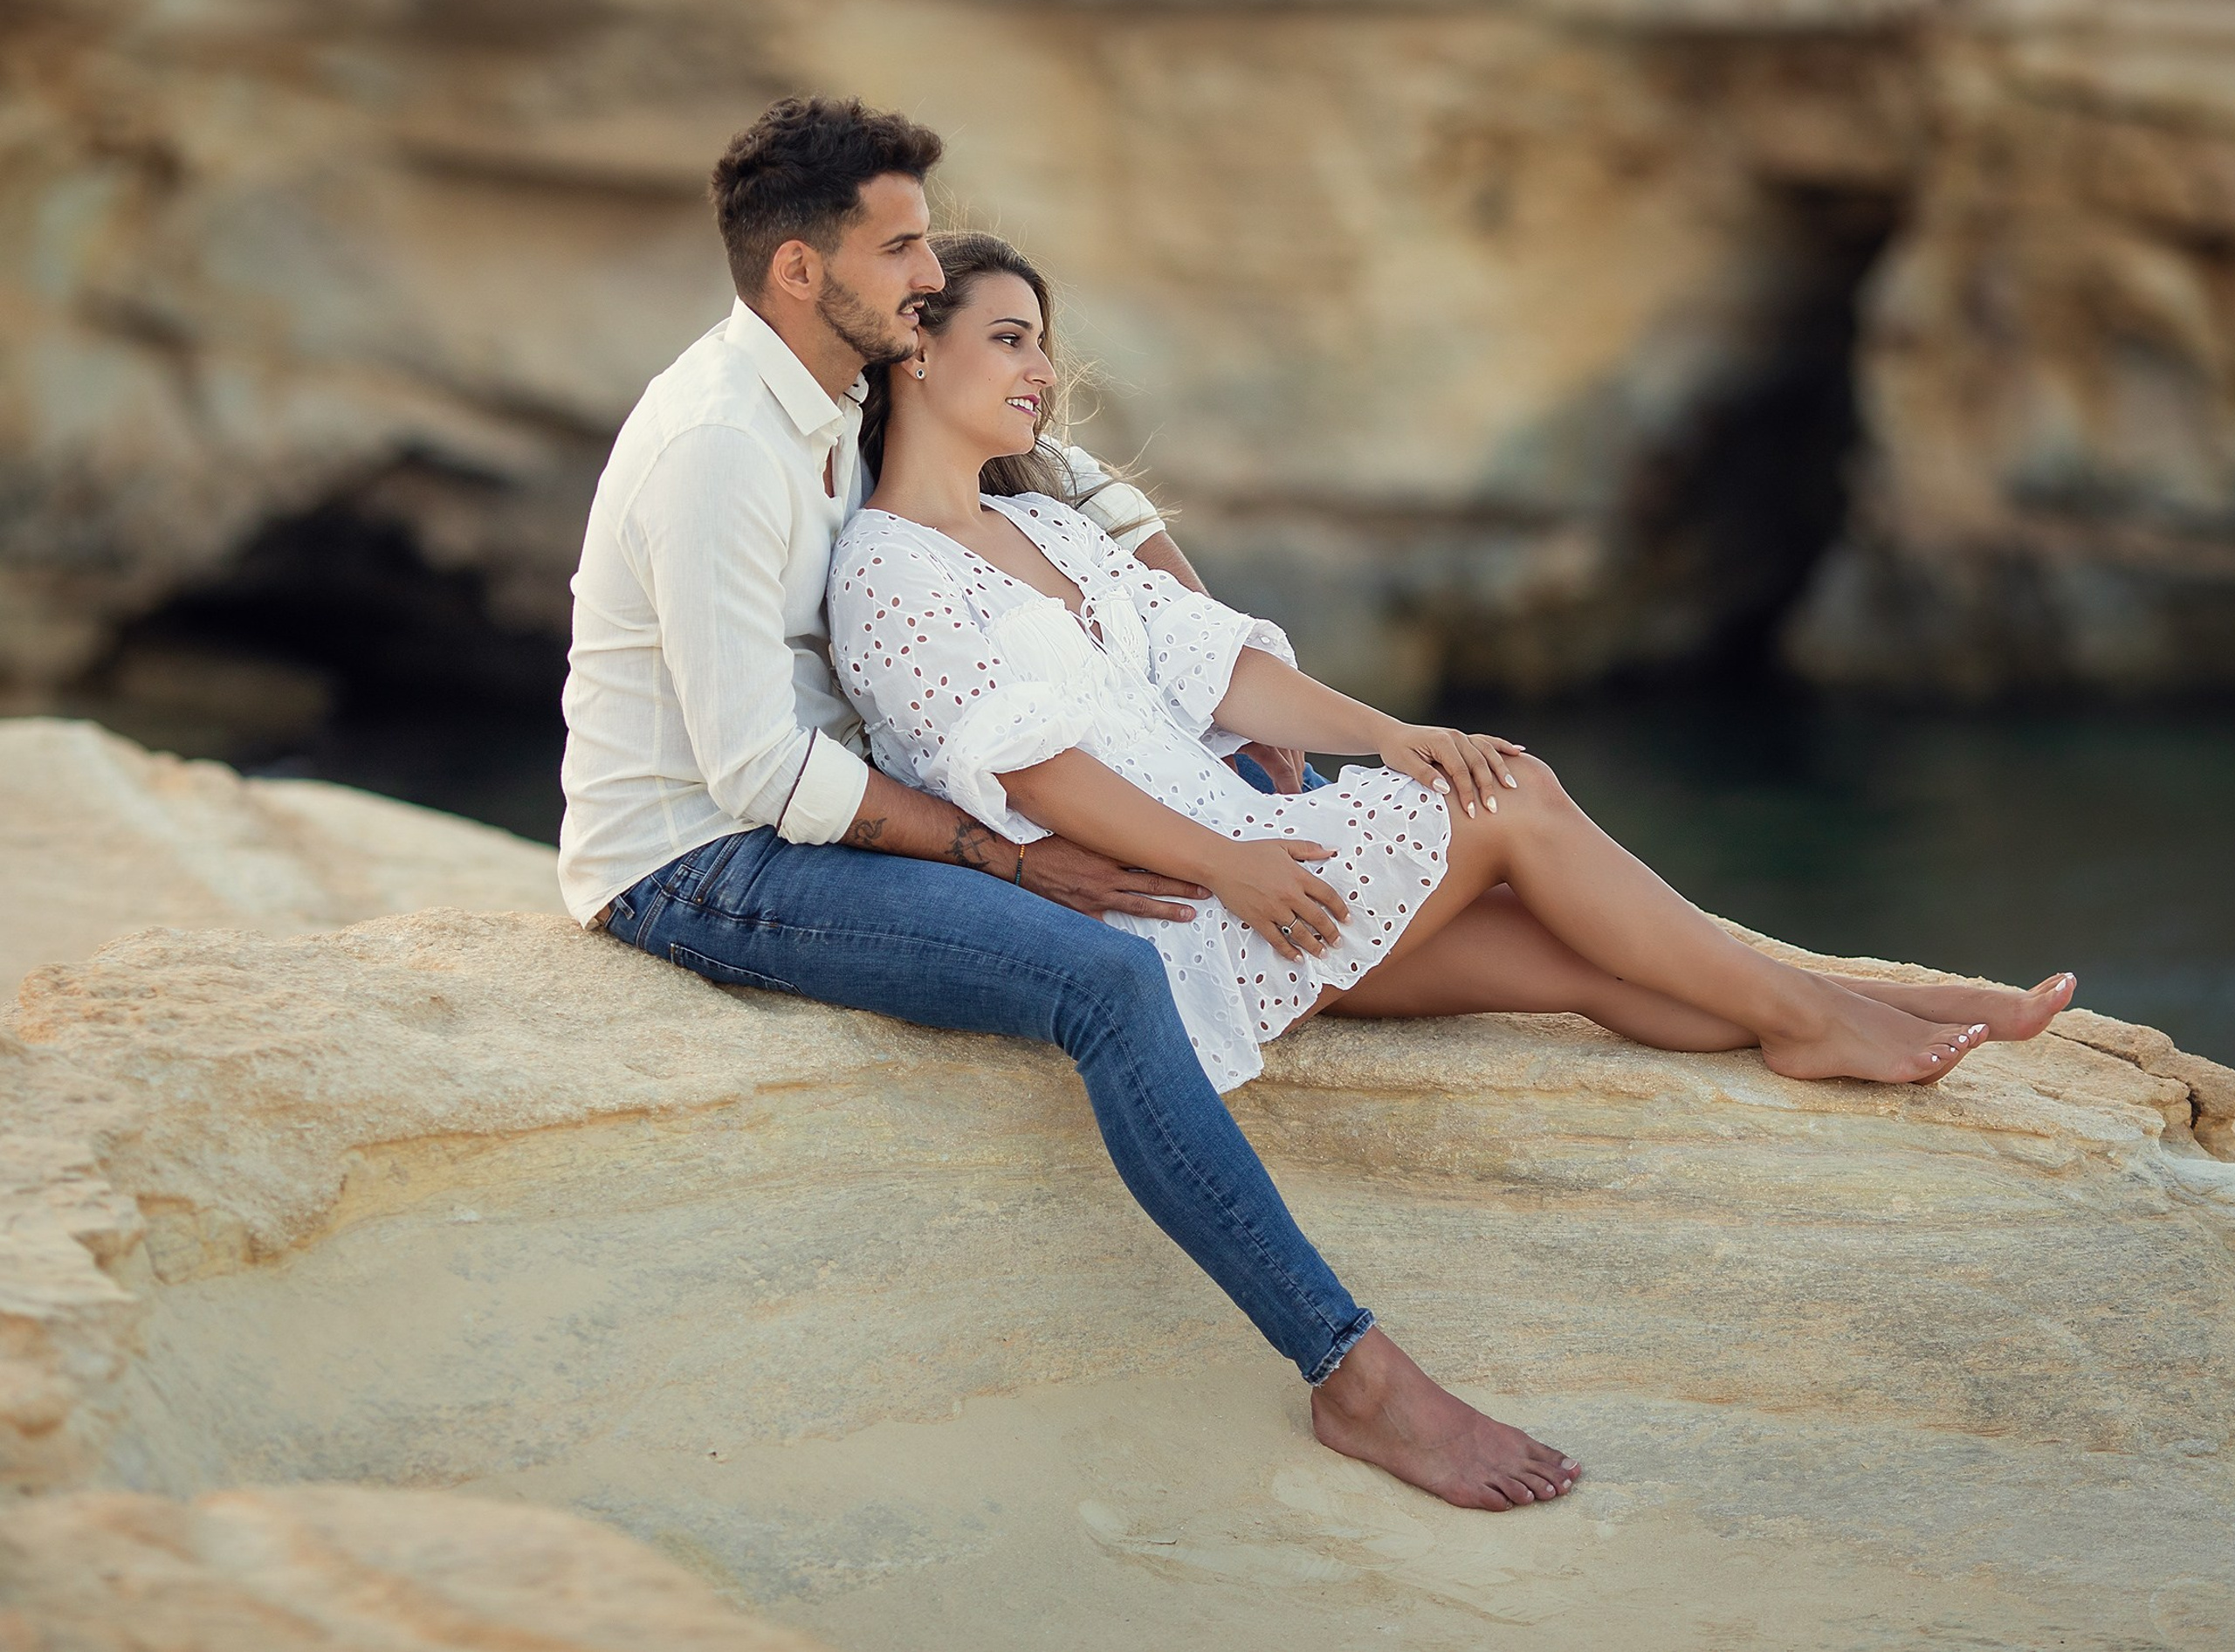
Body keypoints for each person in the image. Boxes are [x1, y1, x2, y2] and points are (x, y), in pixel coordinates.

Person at [559, 93, 1582, 1514]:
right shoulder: (725, 444)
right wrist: (1008, 859)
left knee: (1198, 869)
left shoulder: (833, 398)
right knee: (1103, 979)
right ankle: (1356, 1378)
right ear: (803, 272)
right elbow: (761, 776)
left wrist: (1184, 627)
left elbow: (1058, 468)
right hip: (698, 862)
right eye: (903, 247)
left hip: (817, 812)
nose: (930, 275)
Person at [829, 231, 2083, 1101]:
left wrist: (1388, 739)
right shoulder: (890, 568)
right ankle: (1826, 1016)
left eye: (1043, 343)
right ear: (917, 352)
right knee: (1510, 798)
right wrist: (1234, 865)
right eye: (1013, 340)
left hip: (1259, 869)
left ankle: (1852, 1008)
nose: (1044, 372)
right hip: (1187, 912)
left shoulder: (1045, 524)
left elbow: (1216, 670)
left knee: (1586, 968)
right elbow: (1036, 778)